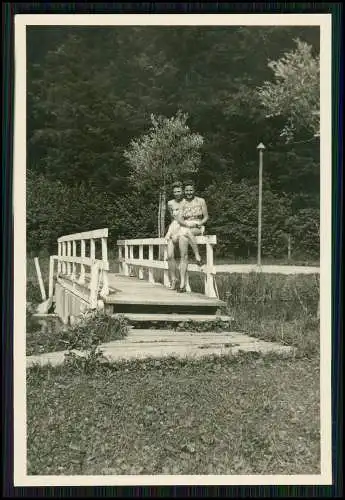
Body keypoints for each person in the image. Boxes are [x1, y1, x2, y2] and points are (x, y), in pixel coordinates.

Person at [165, 181, 204, 289]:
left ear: (182, 191)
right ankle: (173, 279)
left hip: (183, 227)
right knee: (169, 255)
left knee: (183, 255)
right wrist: (170, 231)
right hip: (174, 227)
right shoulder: (170, 203)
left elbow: (189, 216)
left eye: (179, 191)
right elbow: (172, 218)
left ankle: (183, 281)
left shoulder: (186, 202)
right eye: (175, 192)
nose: (177, 193)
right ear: (173, 192)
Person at [175, 180, 209, 293]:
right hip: (186, 226)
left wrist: (199, 223)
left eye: (191, 190)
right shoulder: (183, 203)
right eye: (187, 190)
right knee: (183, 256)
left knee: (186, 233)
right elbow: (179, 218)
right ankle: (182, 284)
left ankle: (197, 255)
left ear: (194, 190)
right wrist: (186, 224)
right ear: (184, 191)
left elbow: (206, 217)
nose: (189, 192)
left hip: (197, 227)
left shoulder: (201, 201)